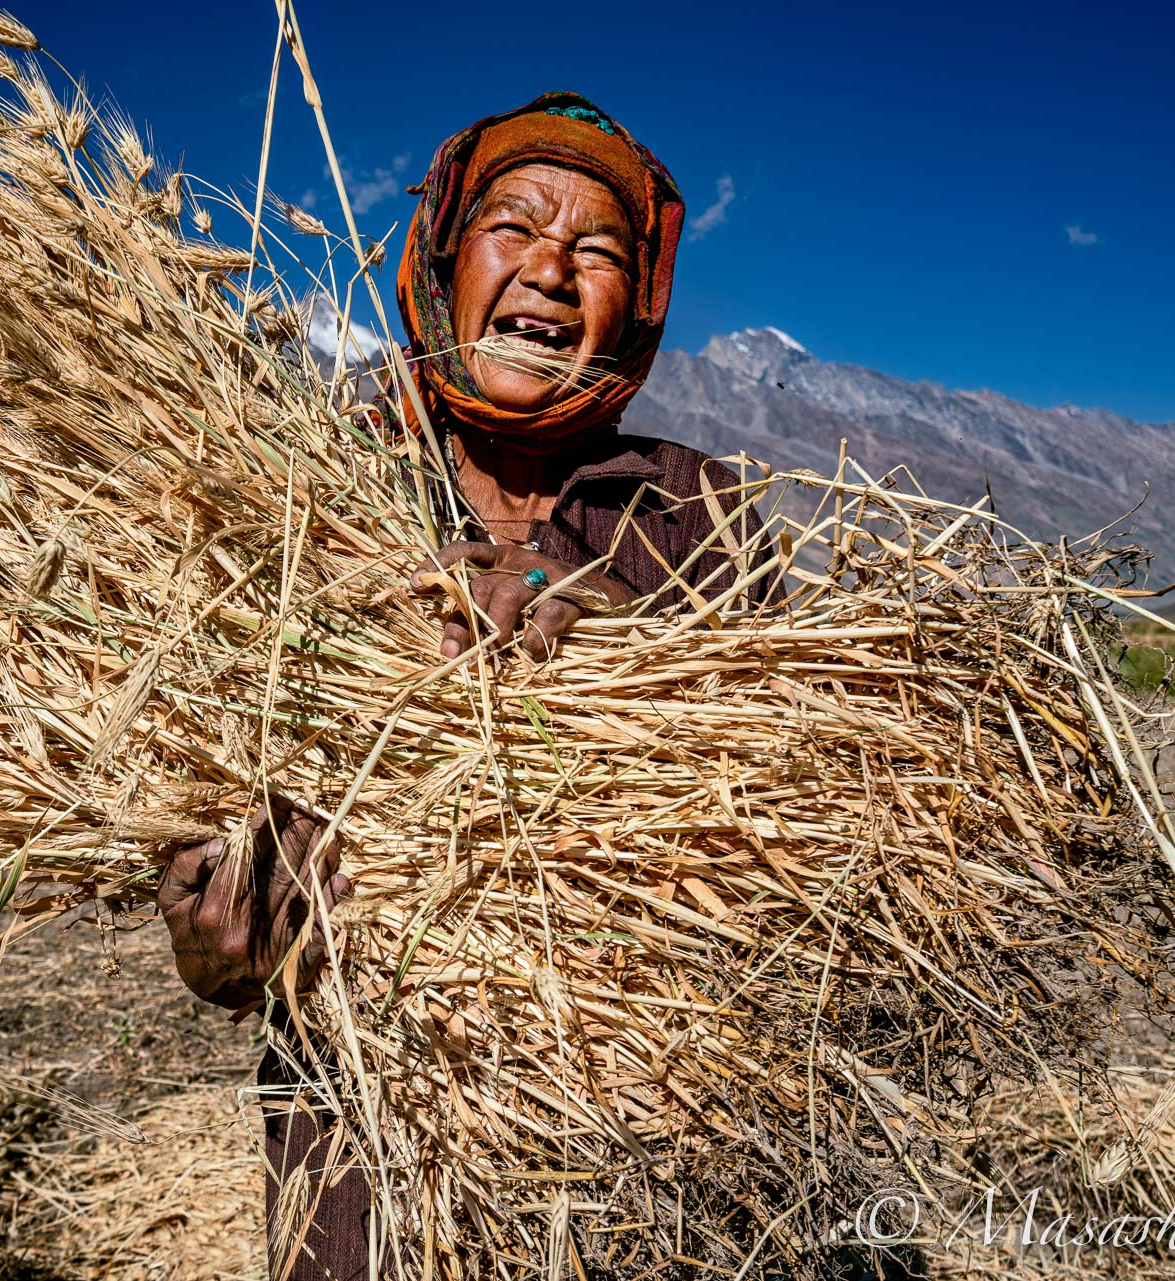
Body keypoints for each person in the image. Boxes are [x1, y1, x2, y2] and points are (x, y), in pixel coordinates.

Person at [157, 92, 775, 1280]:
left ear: (634, 312)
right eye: (516, 230)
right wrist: (213, 937)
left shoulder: (700, 510)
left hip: (654, 1144)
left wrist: (612, 637)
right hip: (365, 1149)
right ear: (442, 263)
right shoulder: (300, 480)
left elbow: (794, 794)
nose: (551, 269)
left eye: (598, 253)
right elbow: (201, 790)